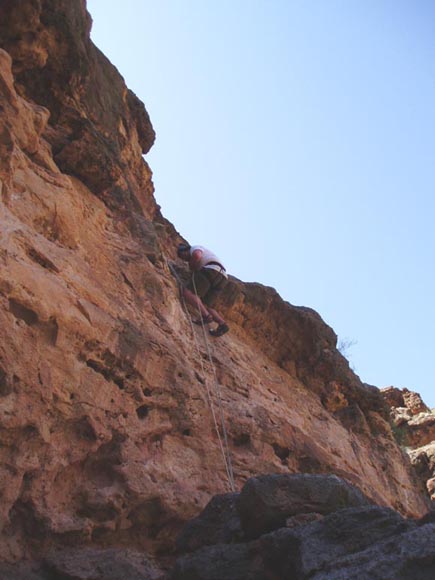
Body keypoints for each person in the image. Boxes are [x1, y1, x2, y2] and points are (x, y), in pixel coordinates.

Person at [177, 242, 229, 337]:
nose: (184, 259)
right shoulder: (208, 255)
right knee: (207, 304)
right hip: (223, 277)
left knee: (188, 293)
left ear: (186, 250)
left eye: (182, 255)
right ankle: (222, 324)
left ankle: (206, 316)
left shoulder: (194, 248)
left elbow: (197, 255)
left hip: (211, 270)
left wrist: (192, 267)